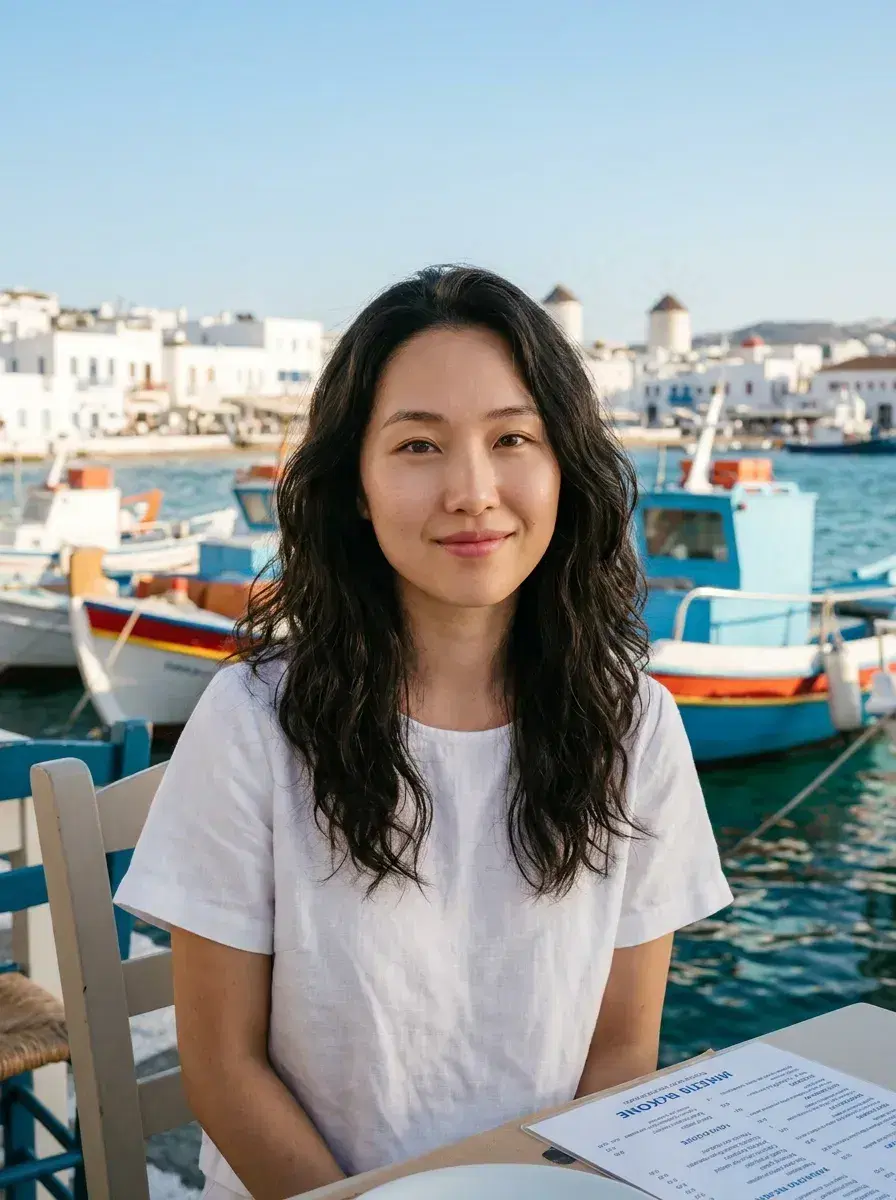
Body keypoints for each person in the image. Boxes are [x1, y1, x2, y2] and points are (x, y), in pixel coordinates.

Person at [116, 265, 732, 1199]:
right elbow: (224, 1068)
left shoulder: (634, 724)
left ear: (564, 467)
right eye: (417, 445)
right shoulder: (252, 722)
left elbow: (619, 1051)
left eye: (512, 438)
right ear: (355, 487)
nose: (473, 492)